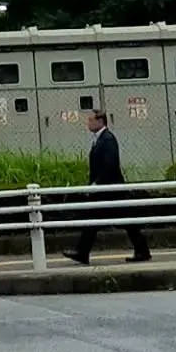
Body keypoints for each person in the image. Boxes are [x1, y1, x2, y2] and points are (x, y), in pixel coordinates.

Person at [66, 110, 151, 266]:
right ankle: (82, 253)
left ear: (100, 121)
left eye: (91, 120)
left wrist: (97, 184)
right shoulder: (101, 139)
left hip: (110, 189)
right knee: (100, 220)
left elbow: (110, 164)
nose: (88, 123)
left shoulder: (108, 139)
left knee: (117, 221)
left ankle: (82, 253)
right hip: (107, 189)